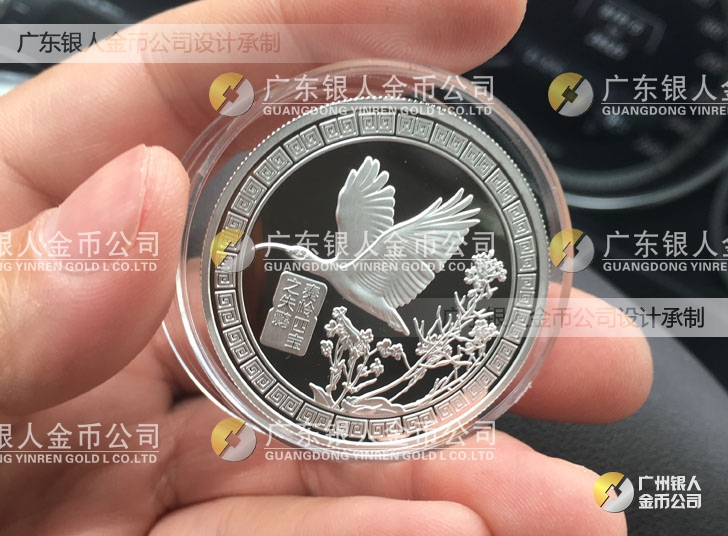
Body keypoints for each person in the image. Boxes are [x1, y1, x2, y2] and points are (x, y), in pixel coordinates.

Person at [0, 0, 652, 534]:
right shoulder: (340, 259)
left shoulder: (367, 259)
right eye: (301, 255)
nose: (298, 257)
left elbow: (423, 227)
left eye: (301, 254)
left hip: (390, 312)